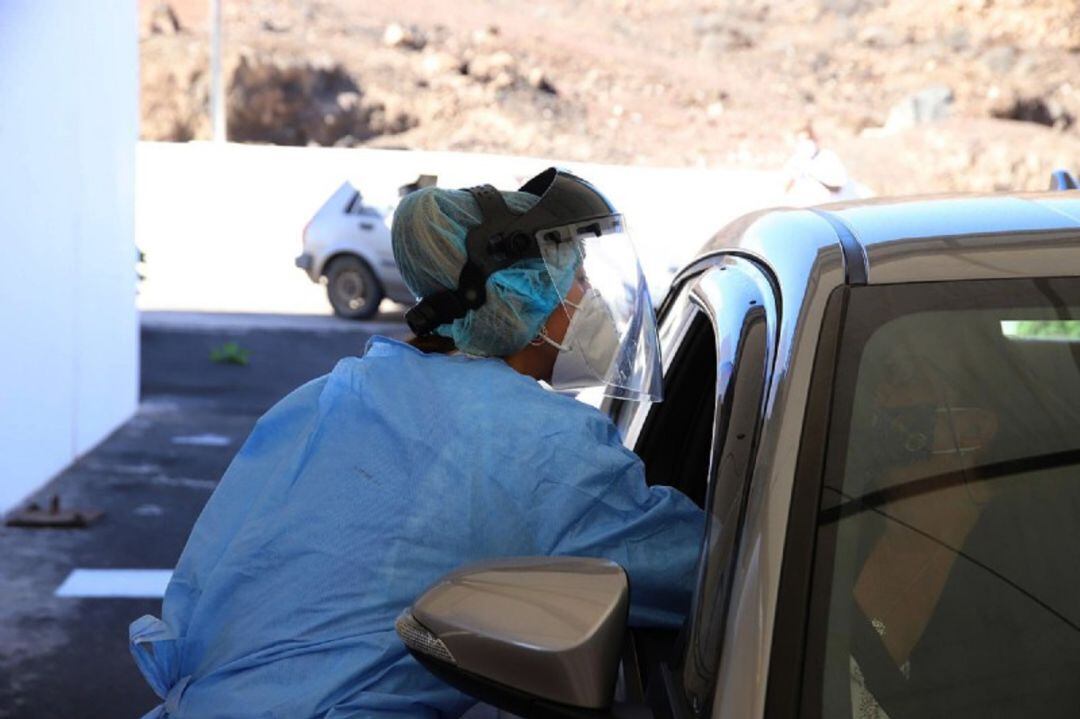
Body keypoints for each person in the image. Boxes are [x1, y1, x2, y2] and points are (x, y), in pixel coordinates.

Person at [129, 168, 706, 718]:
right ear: (517, 296)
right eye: (576, 279)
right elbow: (712, 575)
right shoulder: (544, 444)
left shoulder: (335, 392)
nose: (591, 298)